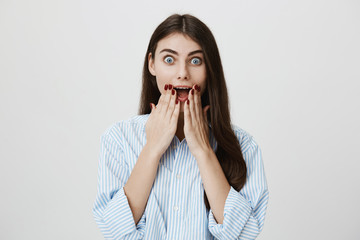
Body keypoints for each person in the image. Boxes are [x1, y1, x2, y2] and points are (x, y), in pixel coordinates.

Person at [92, 14, 269, 240]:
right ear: (151, 64)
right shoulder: (118, 138)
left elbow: (245, 234)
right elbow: (114, 231)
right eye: (169, 59)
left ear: (209, 68)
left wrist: (203, 151)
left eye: (195, 61)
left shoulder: (244, 145)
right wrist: (152, 148)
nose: (182, 73)